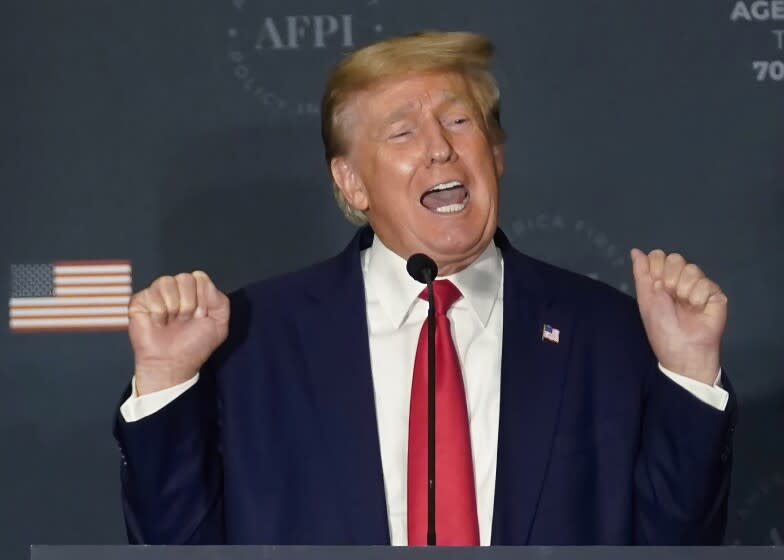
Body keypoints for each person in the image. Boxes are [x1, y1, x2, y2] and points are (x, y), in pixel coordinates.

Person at [115, 31, 736, 546]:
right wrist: (168, 381)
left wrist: (686, 373)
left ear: (496, 153)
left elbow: (679, 547)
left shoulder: (606, 334)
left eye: (459, 121)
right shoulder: (255, 342)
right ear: (352, 182)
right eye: (403, 132)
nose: (439, 148)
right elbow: (176, 547)